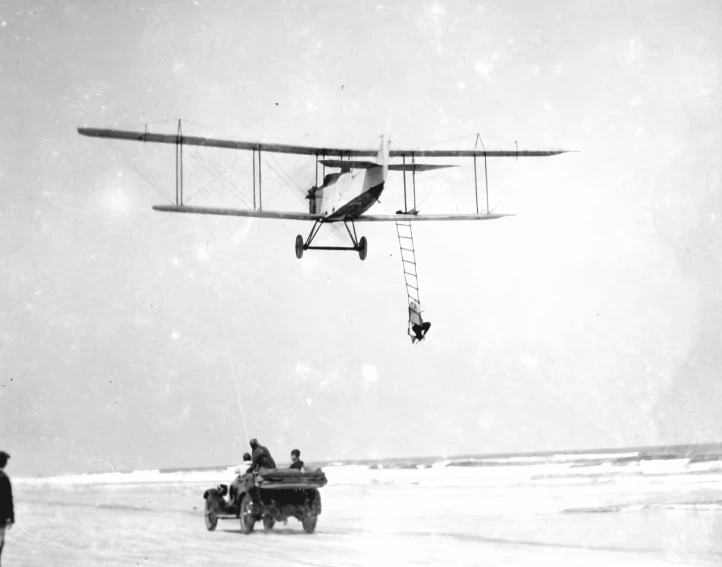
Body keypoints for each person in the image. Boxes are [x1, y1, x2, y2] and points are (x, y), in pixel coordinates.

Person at [0, 451, 14, 566]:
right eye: (5, 461)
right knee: (0, 542)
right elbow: (8, 499)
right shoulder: (4, 478)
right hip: (1, 517)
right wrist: (11, 517)